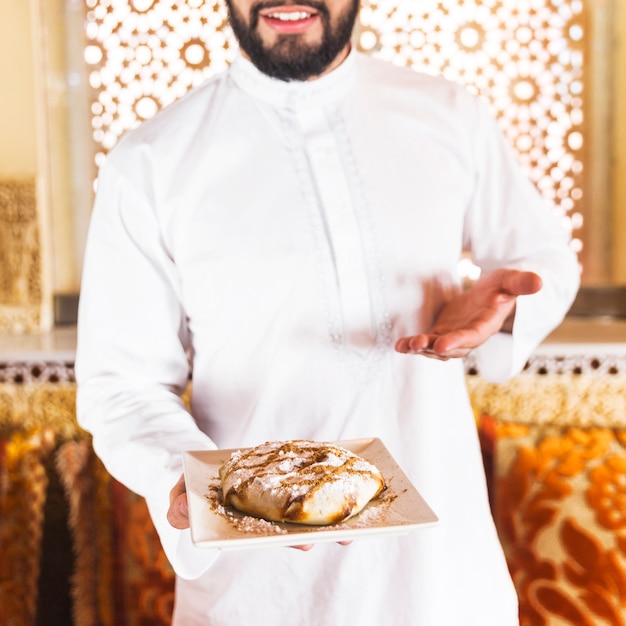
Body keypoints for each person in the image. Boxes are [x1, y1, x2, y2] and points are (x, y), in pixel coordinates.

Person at [75, 0, 580, 623]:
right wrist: (184, 483)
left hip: (442, 580)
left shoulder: (449, 114)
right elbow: (120, 383)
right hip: (258, 591)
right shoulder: (150, 162)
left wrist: (501, 310)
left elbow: (543, 257)